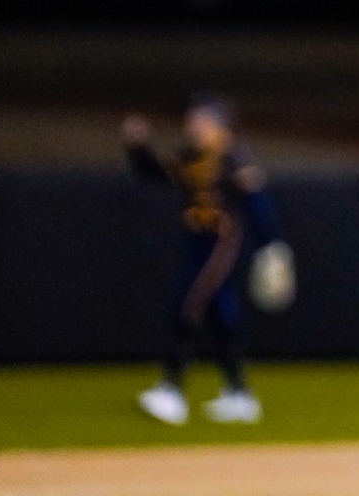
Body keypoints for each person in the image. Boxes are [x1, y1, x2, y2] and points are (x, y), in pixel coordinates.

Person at [122, 93, 285, 426]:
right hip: (196, 240)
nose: (194, 125)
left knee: (186, 303)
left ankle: (171, 391)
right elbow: (154, 173)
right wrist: (137, 147)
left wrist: (272, 244)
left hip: (220, 242)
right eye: (193, 119)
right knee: (220, 314)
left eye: (201, 119)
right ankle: (239, 394)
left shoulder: (232, 155)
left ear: (218, 123)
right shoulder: (189, 155)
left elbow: (256, 202)